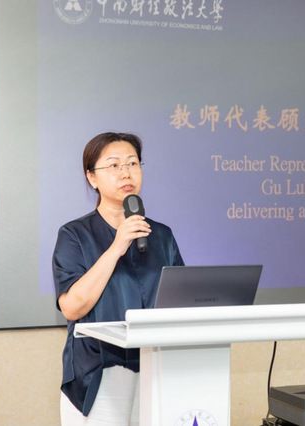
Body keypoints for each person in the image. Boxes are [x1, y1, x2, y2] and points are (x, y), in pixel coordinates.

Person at [52, 132, 184, 425]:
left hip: (155, 368)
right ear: (92, 177)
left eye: (133, 163)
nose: (126, 173)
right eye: (114, 165)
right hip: (99, 372)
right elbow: (72, 307)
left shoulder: (162, 235)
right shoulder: (74, 235)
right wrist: (116, 247)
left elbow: (181, 302)